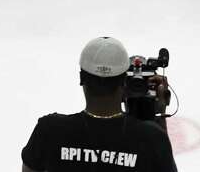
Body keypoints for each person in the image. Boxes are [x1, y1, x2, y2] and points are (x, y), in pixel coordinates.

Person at [21, 36, 177, 172]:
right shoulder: (152, 139)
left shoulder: (49, 130)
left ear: (82, 78)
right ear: (124, 82)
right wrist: (159, 113)